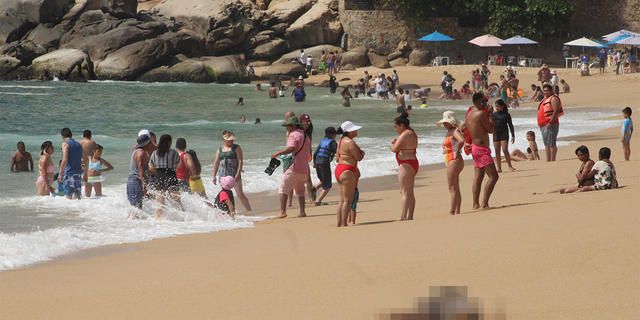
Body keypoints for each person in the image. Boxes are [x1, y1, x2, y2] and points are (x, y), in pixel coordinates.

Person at [459, 93, 499, 210]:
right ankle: (484, 204)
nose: (485, 104)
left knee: (479, 177)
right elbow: (491, 129)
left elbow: (461, 128)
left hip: (475, 148)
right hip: (481, 149)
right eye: (483, 102)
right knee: (493, 176)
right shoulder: (481, 114)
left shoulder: (470, 113)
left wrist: (465, 142)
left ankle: (475, 204)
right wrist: (491, 114)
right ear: (478, 102)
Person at [271, 116, 311, 219]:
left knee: (283, 188)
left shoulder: (293, 135)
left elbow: (291, 148)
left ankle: (282, 212)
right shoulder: (305, 136)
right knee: (300, 190)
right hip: (304, 168)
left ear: (293, 125)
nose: (286, 128)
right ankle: (302, 211)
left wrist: (277, 153)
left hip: (294, 167)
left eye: (287, 126)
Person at [213, 130, 252, 212]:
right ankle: (228, 211)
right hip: (223, 174)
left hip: (234, 173)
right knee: (225, 194)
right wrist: (214, 176)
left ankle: (249, 211)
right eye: (230, 139)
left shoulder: (236, 148)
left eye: (232, 139)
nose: (232, 140)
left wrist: (238, 173)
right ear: (224, 139)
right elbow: (216, 162)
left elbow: (240, 161)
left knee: (239, 194)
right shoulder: (220, 149)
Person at [335, 121, 364, 226]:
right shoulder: (350, 142)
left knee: (342, 200)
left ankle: (339, 223)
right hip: (347, 170)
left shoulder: (341, 140)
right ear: (349, 132)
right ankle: (344, 223)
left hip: (339, 169)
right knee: (348, 199)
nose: (356, 131)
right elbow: (358, 158)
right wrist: (363, 153)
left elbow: (337, 158)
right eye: (354, 130)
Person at [390, 113, 418, 221]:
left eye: (396, 127)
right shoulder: (412, 133)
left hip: (406, 164)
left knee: (404, 192)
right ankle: (410, 216)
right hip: (413, 162)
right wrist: (396, 142)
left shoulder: (405, 134)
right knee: (410, 192)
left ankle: (403, 217)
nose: (395, 129)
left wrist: (391, 145)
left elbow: (394, 149)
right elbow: (405, 145)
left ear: (401, 125)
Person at [149, 134, 183, 219]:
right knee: (177, 202)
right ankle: (183, 219)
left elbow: (151, 167)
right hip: (170, 175)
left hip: (158, 176)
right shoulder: (173, 152)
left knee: (160, 203)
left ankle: (158, 221)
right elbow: (179, 164)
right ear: (170, 143)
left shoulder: (154, 153)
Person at [437, 111, 465, 215]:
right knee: (455, 187)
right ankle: (457, 211)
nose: (444, 124)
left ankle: (452, 211)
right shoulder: (450, 131)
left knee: (452, 188)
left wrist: (457, 152)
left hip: (454, 160)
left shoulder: (454, 131)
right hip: (453, 160)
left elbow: (461, 141)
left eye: (446, 122)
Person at [127, 134, 153, 217]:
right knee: (137, 207)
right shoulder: (140, 152)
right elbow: (140, 167)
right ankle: (133, 225)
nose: (151, 144)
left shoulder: (137, 151)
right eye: (150, 142)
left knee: (135, 207)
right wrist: (144, 183)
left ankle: (132, 225)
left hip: (133, 181)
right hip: (136, 181)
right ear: (146, 144)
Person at [312, 127, 338, 206]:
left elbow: (315, 153)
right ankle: (318, 201)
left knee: (323, 180)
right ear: (334, 135)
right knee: (328, 185)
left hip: (317, 162)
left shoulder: (322, 141)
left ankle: (315, 188)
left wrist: (314, 162)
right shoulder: (333, 143)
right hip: (324, 163)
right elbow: (337, 152)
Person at [538, 84, 564, 161]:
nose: (545, 92)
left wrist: (551, 122)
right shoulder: (545, 99)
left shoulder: (553, 98)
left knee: (552, 143)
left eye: (547, 91)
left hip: (550, 124)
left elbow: (556, 111)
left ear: (551, 91)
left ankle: (552, 160)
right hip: (543, 124)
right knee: (546, 144)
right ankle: (548, 160)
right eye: (544, 91)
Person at [58, 128, 84, 200]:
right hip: (78, 173)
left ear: (63, 137)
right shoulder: (79, 144)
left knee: (68, 195)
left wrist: (60, 173)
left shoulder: (65, 144)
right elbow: (86, 159)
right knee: (78, 196)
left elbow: (65, 158)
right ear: (71, 135)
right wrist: (86, 173)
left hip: (69, 173)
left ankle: (69, 211)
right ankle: (77, 210)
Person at [492, 99, 516, 172]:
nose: (497, 108)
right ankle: (499, 168)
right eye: (496, 106)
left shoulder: (506, 114)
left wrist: (513, 135)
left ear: (502, 106)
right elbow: (491, 124)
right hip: (496, 133)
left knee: (505, 150)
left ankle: (510, 165)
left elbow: (510, 125)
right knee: (497, 151)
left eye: (498, 106)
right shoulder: (494, 114)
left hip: (504, 133)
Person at [300, 114, 316, 204]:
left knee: (307, 177)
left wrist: (310, 156)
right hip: (298, 157)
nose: (307, 124)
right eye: (305, 122)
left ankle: (311, 198)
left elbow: (310, 146)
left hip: (305, 157)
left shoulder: (308, 133)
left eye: (308, 122)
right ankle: (290, 201)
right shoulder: (298, 132)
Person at [79, 129, 96, 195]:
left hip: (79, 162)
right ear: (90, 136)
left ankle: (77, 196)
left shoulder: (79, 142)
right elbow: (94, 153)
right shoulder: (92, 142)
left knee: (78, 180)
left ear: (83, 135)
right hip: (88, 162)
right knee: (88, 181)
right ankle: (87, 196)